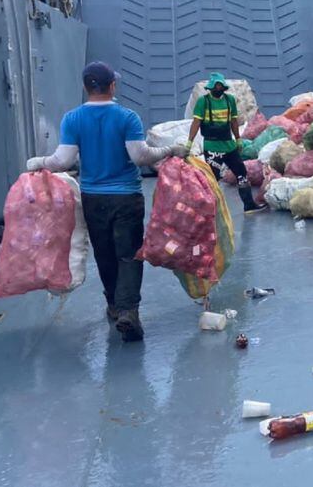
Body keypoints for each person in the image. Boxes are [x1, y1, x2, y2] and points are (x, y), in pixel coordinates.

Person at [26, 61, 189, 342]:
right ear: (112, 85)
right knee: (128, 255)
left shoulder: (73, 119)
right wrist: (170, 149)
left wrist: (37, 162)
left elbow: (63, 161)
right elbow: (140, 156)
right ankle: (129, 312)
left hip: (93, 198)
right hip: (126, 197)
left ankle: (114, 305)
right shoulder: (127, 117)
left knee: (104, 254)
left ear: (85, 86)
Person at [186, 72, 265, 214]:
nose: (218, 88)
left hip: (229, 145)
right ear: (210, 88)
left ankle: (249, 205)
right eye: (216, 86)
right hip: (212, 147)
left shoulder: (230, 100)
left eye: (220, 85)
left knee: (241, 173)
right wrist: (189, 142)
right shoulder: (203, 102)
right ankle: (207, 209)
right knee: (212, 179)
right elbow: (196, 122)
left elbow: (234, 121)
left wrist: (238, 139)